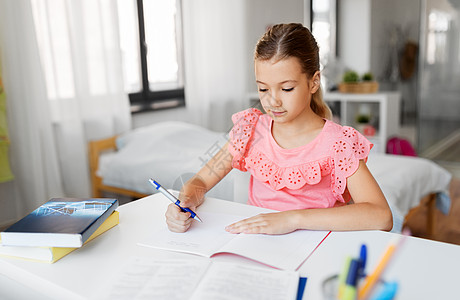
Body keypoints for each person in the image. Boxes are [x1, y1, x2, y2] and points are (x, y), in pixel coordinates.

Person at [165, 23, 393, 234]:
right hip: (256, 243)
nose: (273, 101)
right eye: (263, 89)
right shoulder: (251, 130)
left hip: (314, 247)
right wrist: (186, 201)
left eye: (286, 88)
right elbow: (200, 182)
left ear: (313, 82)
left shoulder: (338, 143)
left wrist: (292, 219)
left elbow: (381, 216)